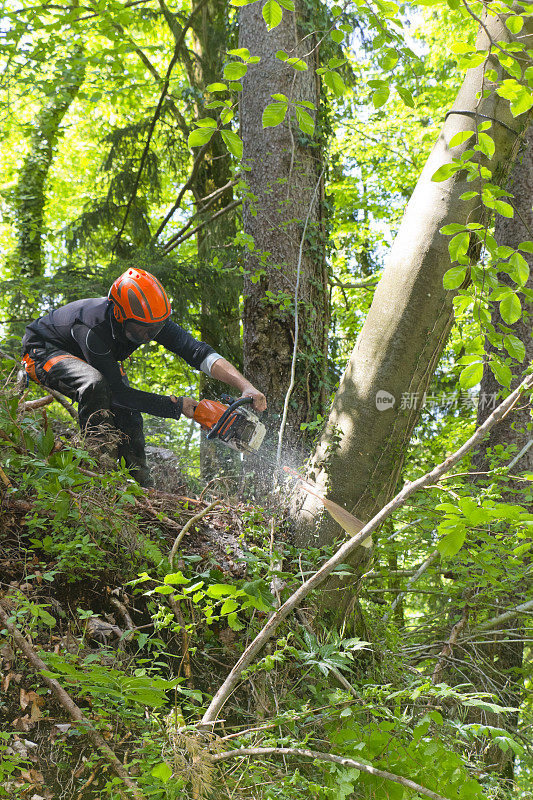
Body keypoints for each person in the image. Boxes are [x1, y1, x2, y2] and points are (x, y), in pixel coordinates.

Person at [21, 268, 267, 486]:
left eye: (156, 329)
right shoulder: (93, 329)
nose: (151, 335)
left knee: (130, 417)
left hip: (88, 360)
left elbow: (197, 352)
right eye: (144, 329)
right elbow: (117, 393)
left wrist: (246, 387)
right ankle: (97, 465)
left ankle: (143, 486)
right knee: (95, 385)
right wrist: (176, 406)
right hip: (42, 351)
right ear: (119, 315)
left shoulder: (150, 321)